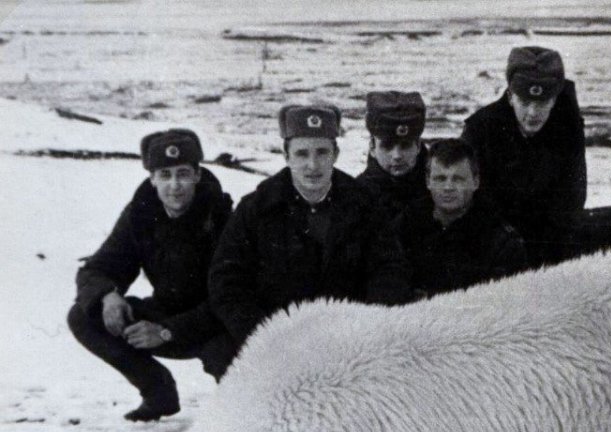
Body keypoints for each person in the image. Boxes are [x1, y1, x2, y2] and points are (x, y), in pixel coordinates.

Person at [209, 103, 409, 351]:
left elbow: (389, 271)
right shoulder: (256, 208)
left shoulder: (364, 204)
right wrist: (265, 337)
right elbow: (226, 283)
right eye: (302, 154)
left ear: (335, 154)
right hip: (277, 343)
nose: (313, 165)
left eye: (322, 152)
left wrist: (365, 328)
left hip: (350, 340)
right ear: (286, 155)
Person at [68, 129, 236, 421]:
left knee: (236, 366)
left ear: (197, 174)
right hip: (165, 315)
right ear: (152, 178)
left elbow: (230, 299)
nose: (174, 185)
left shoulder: (222, 217)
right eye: (165, 174)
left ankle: (244, 410)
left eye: (183, 173)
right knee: (84, 315)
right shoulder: (141, 214)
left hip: (216, 325)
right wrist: (107, 295)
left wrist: (166, 331)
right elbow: (98, 268)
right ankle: (158, 392)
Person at [461, 45, 586, 268]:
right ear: (510, 96)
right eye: (525, 102)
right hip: (493, 244)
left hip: (549, 243)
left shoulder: (568, 126)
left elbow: (571, 201)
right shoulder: (480, 129)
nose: (533, 113)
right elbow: (473, 202)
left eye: (542, 103)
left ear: (555, 100)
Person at [380, 138, 525, 300]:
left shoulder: (501, 241)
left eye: (458, 179)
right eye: (440, 179)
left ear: (476, 182)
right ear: (428, 181)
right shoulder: (405, 226)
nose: (448, 187)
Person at [356, 90, 431, 221]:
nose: (397, 156)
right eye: (387, 146)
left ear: (418, 146)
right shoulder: (356, 196)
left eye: (405, 145)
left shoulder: (438, 189)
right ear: (372, 147)